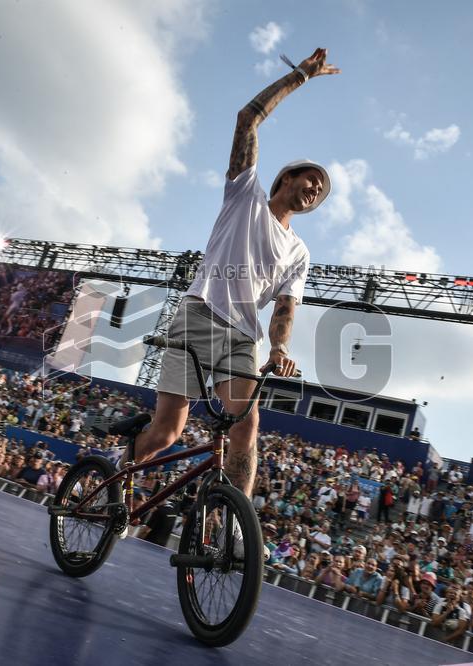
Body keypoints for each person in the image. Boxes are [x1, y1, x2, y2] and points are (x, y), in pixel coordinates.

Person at [120, 48, 340, 526]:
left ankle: (228, 523)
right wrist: (301, 76)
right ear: (287, 177)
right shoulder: (245, 196)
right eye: (311, 179)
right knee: (168, 432)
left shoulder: (299, 252)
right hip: (199, 315)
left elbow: (285, 308)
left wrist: (279, 347)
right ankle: (120, 477)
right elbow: (248, 118)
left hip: (243, 336)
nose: (314, 190)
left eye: (320, 191)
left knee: (247, 425)